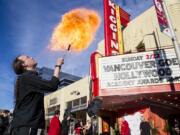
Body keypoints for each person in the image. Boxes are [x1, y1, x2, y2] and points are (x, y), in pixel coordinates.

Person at [11, 55, 64, 135]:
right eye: (27, 57)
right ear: (24, 64)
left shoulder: (27, 78)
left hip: (25, 125)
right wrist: (58, 65)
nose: (31, 57)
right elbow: (52, 85)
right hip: (26, 126)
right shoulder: (27, 78)